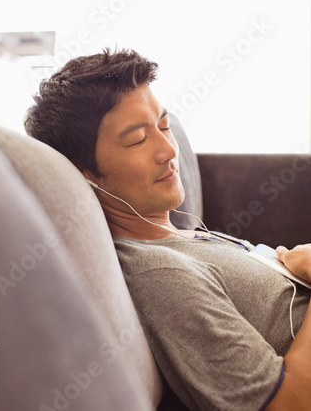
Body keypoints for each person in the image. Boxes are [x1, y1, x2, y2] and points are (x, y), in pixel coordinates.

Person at [24, 48, 311, 411]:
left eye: (163, 126)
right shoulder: (161, 274)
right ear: (85, 173)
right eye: (137, 140)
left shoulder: (184, 236)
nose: (166, 150)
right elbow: (288, 404)